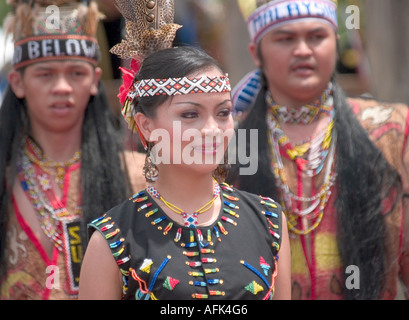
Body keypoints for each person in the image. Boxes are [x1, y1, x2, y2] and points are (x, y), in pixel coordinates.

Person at [79, 0, 291, 300]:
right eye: (190, 115)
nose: (211, 130)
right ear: (147, 125)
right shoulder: (112, 239)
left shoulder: (268, 221)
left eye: (223, 113)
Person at [228, 0, 409, 299]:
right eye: (285, 38)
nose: (302, 50)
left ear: (336, 45)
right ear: (255, 53)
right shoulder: (228, 142)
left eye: (316, 37)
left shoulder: (392, 130)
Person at [0, 0, 145, 299]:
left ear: (94, 81)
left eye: (76, 74)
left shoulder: (138, 175)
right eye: (45, 74)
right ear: (17, 82)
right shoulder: (6, 176)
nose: (62, 87)